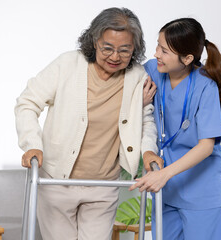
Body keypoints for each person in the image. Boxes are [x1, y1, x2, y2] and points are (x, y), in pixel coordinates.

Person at [15, 7, 162, 240]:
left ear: (135, 48)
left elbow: (145, 120)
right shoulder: (67, 65)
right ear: (94, 41)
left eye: (124, 50)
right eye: (108, 48)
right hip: (56, 181)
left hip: (103, 185)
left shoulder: (137, 77)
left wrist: (148, 152)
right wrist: (32, 143)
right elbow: (27, 102)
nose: (115, 57)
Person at [130, 18, 221, 240]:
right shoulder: (152, 70)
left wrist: (164, 175)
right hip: (168, 191)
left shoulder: (205, 85)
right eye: (157, 45)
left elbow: (206, 146)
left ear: (187, 58)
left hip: (201, 193)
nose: (157, 53)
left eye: (165, 50)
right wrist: (136, 104)